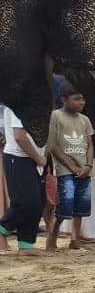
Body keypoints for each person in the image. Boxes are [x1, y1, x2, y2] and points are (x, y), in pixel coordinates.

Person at [44, 81, 95, 251]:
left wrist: (88, 165)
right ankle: (52, 235)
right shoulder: (55, 116)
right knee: (66, 203)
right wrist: (72, 167)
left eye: (83, 99)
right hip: (65, 170)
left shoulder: (85, 119)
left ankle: (75, 239)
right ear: (64, 99)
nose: (81, 102)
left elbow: (90, 144)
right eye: (77, 99)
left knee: (81, 205)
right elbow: (53, 146)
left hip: (84, 170)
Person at [0, 106, 48, 255]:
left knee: (38, 202)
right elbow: (19, 136)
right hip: (18, 157)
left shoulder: (39, 105)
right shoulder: (17, 106)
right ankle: (3, 228)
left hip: (36, 158)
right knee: (25, 201)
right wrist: (38, 157)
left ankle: (26, 245)